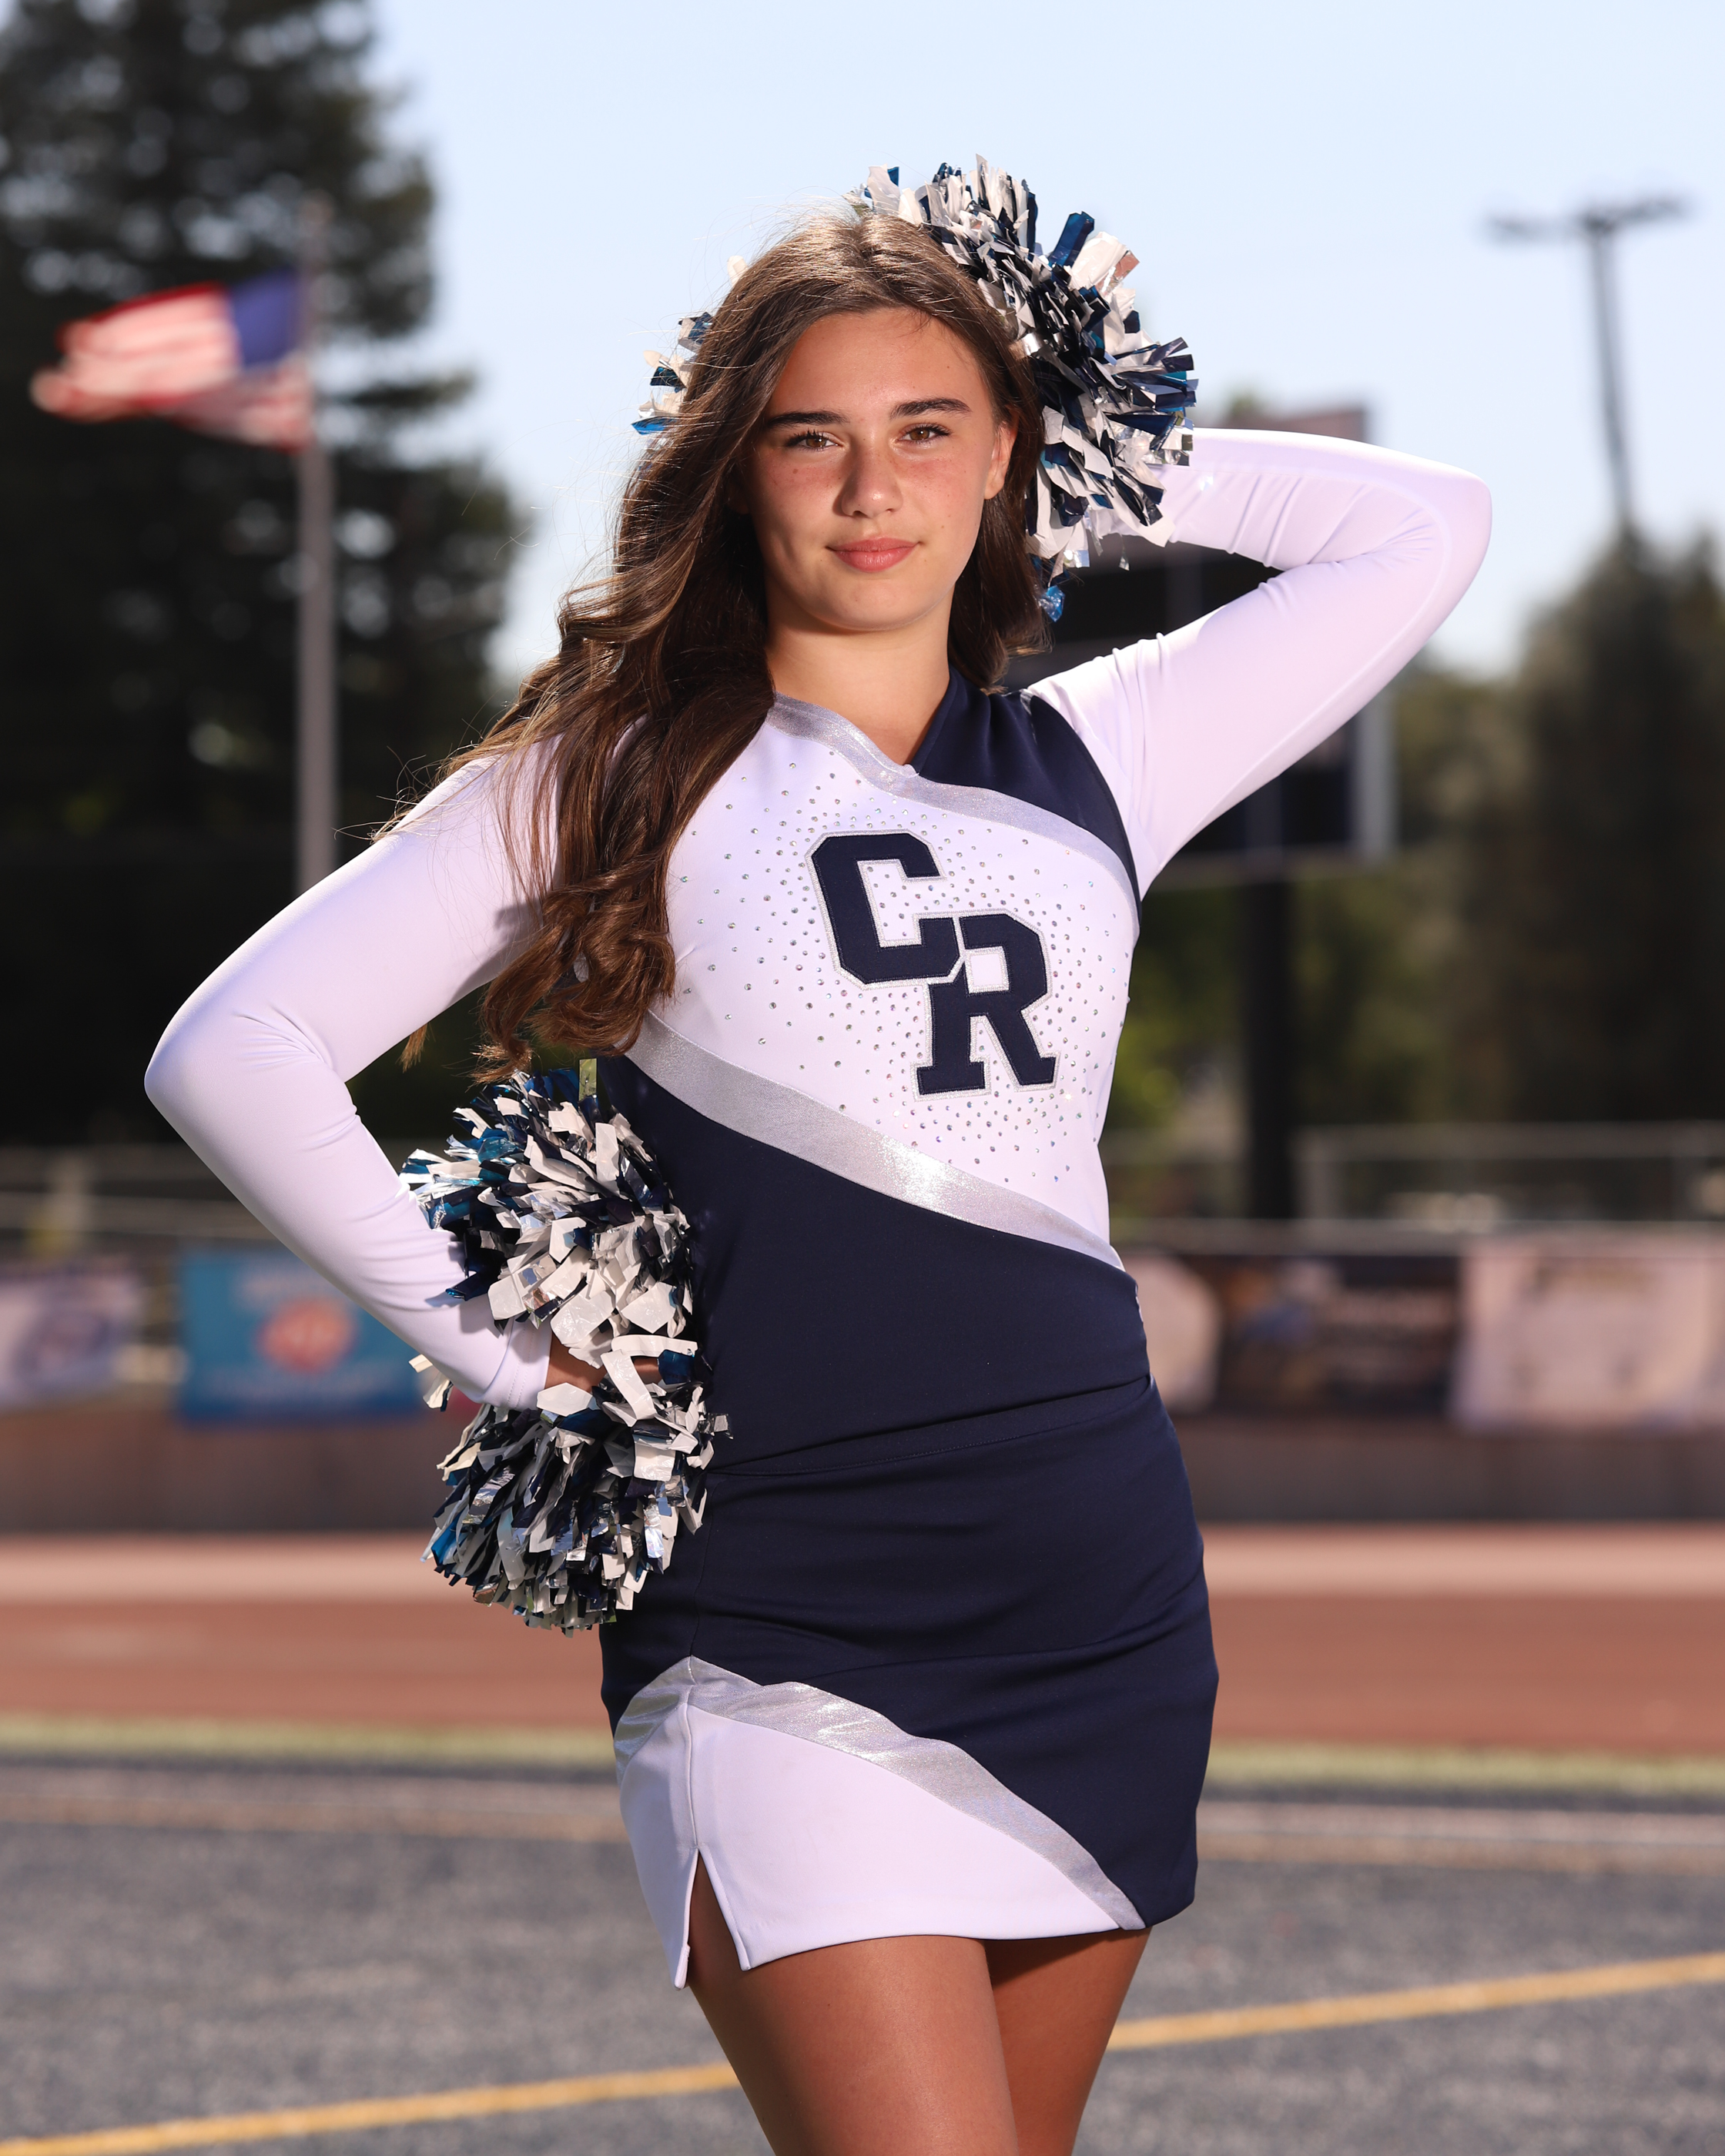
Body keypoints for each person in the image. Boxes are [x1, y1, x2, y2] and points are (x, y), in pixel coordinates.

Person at [147, 170, 1490, 2156]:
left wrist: (1090, 439)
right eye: (812, 437)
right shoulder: (609, 776)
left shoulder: (1108, 755)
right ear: (735, 471)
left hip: (1093, 1582)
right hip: (779, 1601)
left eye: (927, 430)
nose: (875, 489)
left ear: (1006, 454)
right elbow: (233, 1050)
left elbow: (1427, 526)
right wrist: (514, 1359)